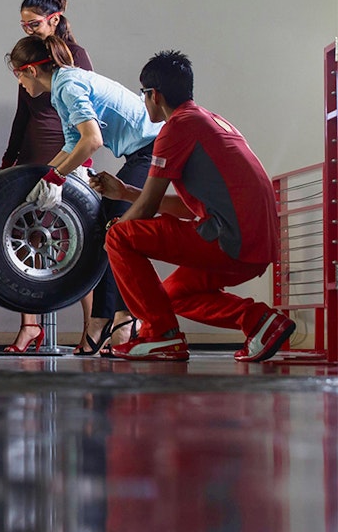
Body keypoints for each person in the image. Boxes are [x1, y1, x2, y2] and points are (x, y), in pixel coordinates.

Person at [89, 51, 293, 362]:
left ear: (153, 95)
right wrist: (127, 192)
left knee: (118, 237)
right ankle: (259, 321)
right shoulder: (205, 120)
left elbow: (146, 211)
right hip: (253, 241)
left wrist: (110, 236)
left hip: (232, 240)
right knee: (172, 296)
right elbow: (187, 209)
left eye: (143, 95)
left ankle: (159, 336)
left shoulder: (176, 128)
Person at [6, 34, 163, 354]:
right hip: (141, 152)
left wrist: (56, 177)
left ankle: (123, 320)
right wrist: (43, 178)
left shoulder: (68, 85)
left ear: (32, 71)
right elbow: (70, 145)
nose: (20, 84)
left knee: (118, 229)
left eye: (18, 75)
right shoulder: (62, 86)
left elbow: (90, 140)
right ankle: (104, 320)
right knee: (104, 227)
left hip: (154, 147)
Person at [0, 0, 102, 355]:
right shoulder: (27, 55)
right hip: (32, 150)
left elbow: (88, 116)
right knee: (27, 239)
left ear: (54, 19)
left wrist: (81, 159)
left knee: (73, 241)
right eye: (23, 25)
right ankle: (30, 327)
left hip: (66, 151)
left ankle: (93, 328)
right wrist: (9, 158)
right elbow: (21, 111)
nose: (27, 30)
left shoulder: (74, 55)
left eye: (33, 24)